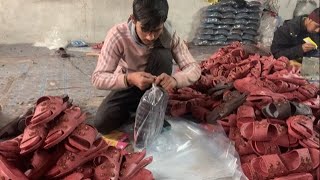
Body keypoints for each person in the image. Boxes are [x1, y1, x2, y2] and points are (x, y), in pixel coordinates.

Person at [92, 0, 201, 134]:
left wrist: (175, 80)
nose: (150, 37)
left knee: (162, 54)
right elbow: (98, 78)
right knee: (102, 123)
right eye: (144, 29)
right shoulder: (118, 35)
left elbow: (194, 67)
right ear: (133, 19)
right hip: (128, 86)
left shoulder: (169, 34)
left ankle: (151, 109)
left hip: (155, 88)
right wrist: (129, 79)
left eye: (157, 30)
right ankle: (138, 109)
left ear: (163, 22)